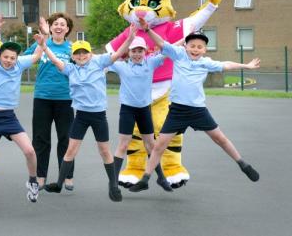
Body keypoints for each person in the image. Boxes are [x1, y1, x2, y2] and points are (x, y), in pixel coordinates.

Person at [130, 21, 260, 192]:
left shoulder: (206, 62)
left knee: (220, 138)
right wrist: (147, 29)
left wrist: (246, 66)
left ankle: (243, 164)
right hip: (177, 111)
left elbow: (227, 64)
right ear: (186, 46)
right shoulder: (178, 55)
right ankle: (145, 179)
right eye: (192, 45)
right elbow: (161, 43)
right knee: (159, 145)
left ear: (205, 50)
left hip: (198, 110)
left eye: (200, 46)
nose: (196, 49)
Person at [36, 25, 135, 202]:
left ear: (90, 54)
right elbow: (54, 60)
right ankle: (59, 184)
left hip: (98, 116)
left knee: (104, 151)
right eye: (77, 53)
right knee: (71, 149)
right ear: (72, 56)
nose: (81, 56)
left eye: (84, 53)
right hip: (81, 116)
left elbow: (118, 53)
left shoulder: (99, 62)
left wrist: (129, 39)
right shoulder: (70, 69)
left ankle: (113, 185)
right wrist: (44, 46)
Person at [0, 14, 43, 215]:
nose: (8, 60)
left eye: (12, 58)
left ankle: (32, 181)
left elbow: (36, 56)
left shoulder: (18, 65)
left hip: (9, 118)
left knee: (30, 151)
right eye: (6, 56)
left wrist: (44, 38)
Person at [108, 35, 173, 192]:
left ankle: (161, 178)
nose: (137, 54)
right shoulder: (121, 65)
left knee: (151, 145)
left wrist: (184, 39)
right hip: (127, 110)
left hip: (144, 110)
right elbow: (100, 59)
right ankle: (113, 182)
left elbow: (169, 49)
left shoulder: (151, 62)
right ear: (129, 52)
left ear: (145, 51)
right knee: (123, 145)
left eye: (140, 51)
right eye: (134, 51)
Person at [23, 13, 75, 190]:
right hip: (42, 98)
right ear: (50, 27)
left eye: (63, 24)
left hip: (65, 99)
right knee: (41, 139)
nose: (59, 27)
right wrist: (42, 40)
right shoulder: (41, 44)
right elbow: (26, 61)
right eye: (55, 24)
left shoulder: (72, 48)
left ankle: (67, 176)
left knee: (66, 138)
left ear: (67, 29)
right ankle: (40, 176)